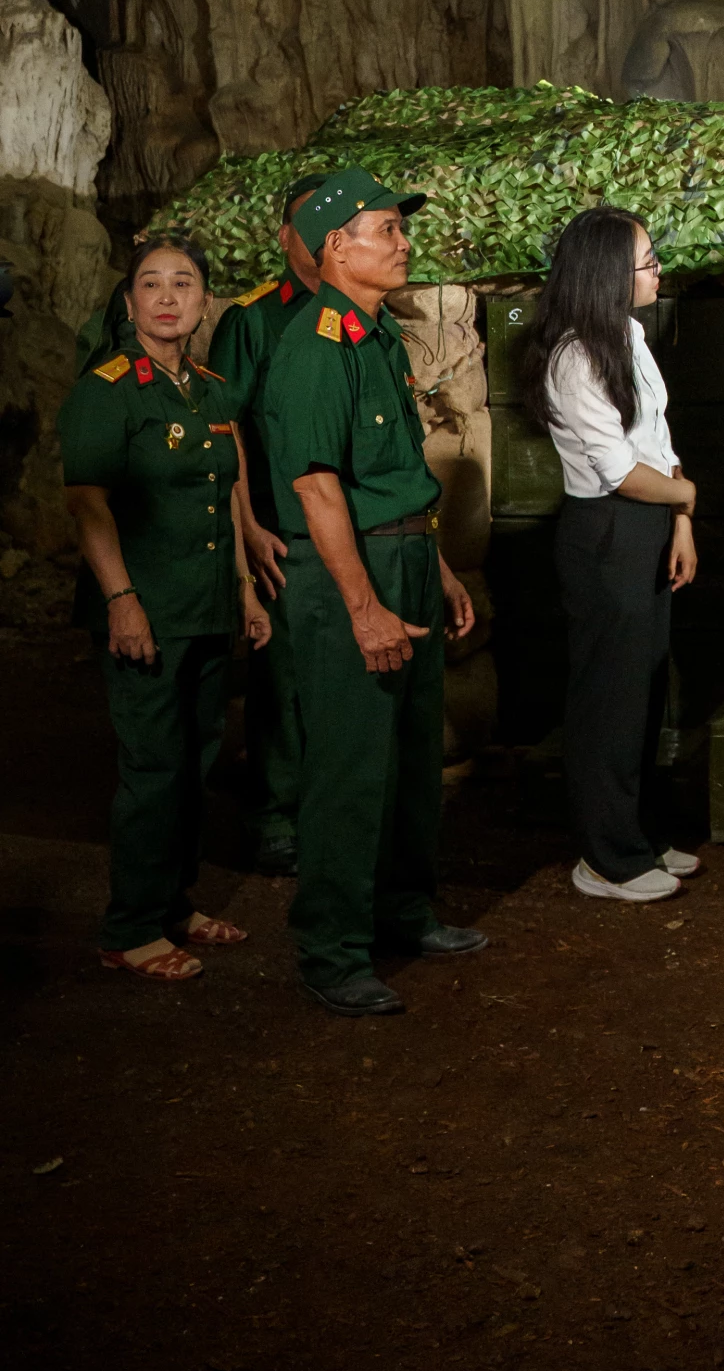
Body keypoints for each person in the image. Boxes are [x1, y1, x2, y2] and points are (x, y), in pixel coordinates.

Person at [259, 165, 483, 1018]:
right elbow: (316, 489)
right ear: (334, 247)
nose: (403, 242)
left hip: (404, 558)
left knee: (412, 758)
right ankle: (333, 949)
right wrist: (363, 606)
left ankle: (403, 912)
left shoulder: (375, 336)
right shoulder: (315, 349)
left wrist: (439, 568)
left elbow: (393, 474)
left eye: (400, 226)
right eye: (385, 228)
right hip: (350, 573)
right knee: (350, 766)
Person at [60, 235, 271, 982]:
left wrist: (245, 589)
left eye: (184, 283)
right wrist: (122, 600)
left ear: (205, 301)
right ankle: (130, 928)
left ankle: (173, 904)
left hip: (205, 606)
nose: (168, 296)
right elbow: (88, 504)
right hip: (145, 607)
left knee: (195, 762)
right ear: (129, 303)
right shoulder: (108, 389)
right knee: (153, 767)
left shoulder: (209, 390)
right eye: (151, 283)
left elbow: (226, 496)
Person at [520, 205, 701, 905]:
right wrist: (686, 496)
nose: (658, 271)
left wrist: (680, 521)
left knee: (644, 688)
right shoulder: (575, 357)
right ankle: (605, 859)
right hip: (608, 532)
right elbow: (620, 472)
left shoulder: (627, 335)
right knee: (609, 699)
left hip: (650, 521)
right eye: (647, 262)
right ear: (606, 274)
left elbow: (656, 438)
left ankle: (638, 834)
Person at [208, 179, 322, 875]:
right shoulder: (253, 321)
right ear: (284, 237)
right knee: (282, 678)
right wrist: (248, 526)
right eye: (308, 222)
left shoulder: (354, 317)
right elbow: (225, 432)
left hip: (347, 529)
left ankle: (327, 813)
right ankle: (275, 816)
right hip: (282, 530)